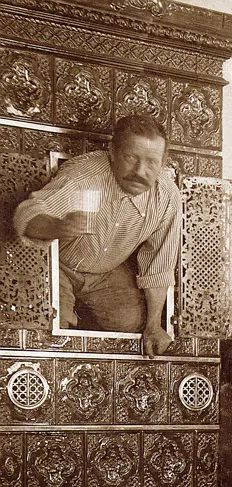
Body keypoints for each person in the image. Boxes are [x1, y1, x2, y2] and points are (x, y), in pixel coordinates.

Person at [13, 115, 180, 356]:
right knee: (52, 327)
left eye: (151, 162)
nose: (140, 172)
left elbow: (158, 266)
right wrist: (56, 226)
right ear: (112, 152)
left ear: (163, 162)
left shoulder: (167, 198)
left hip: (106, 272)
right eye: (130, 158)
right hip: (59, 265)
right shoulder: (85, 175)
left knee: (132, 324)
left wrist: (154, 326)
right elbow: (27, 213)